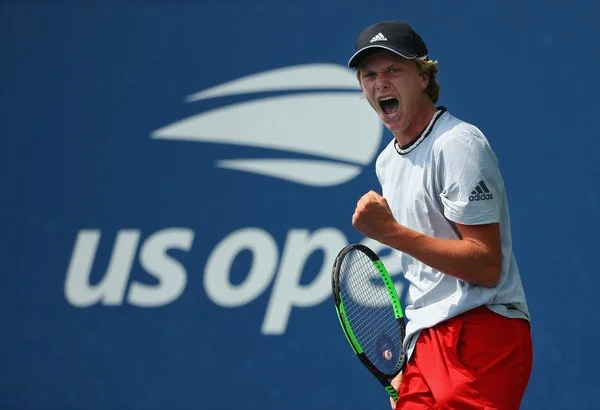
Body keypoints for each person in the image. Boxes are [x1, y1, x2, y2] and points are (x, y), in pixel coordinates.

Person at [347, 20, 532, 409]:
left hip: (482, 331)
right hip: (425, 345)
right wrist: (413, 359)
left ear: (422, 75)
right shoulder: (386, 163)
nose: (380, 83)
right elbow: (425, 275)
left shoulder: (457, 145)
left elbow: (485, 264)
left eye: (393, 70)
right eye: (369, 75)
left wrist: (391, 233)